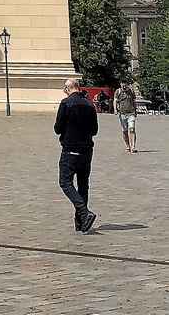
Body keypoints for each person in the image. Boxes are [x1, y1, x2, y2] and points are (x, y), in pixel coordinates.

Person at [54, 78, 98, 233]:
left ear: (68, 89)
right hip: (87, 151)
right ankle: (81, 223)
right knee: (83, 185)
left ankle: (84, 212)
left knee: (65, 182)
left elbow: (58, 128)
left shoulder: (66, 103)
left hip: (70, 149)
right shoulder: (89, 104)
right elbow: (94, 131)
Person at [114, 80, 138, 153]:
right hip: (122, 114)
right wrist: (115, 109)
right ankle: (128, 146)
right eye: (122, 84)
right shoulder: (118, 91)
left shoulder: (131, 92)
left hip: (131, 113)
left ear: (127, 85)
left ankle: (133, 146)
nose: (124, 86)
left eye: (125, 84)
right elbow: (115, 101)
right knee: (125, 131)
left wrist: (135, 110)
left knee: (132, 129)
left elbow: (134, 101)